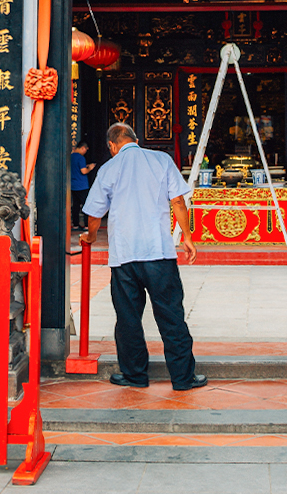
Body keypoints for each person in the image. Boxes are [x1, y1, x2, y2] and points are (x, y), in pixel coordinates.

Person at [79, 122, 206, 391]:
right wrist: (187, 236)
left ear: (112, 146)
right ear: (135, 139)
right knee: (171, 316)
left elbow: (94, 214)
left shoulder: (108, 168)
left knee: (128, 319)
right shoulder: (161, 159)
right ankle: (183, 378)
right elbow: (178, 201)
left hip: (124, 257)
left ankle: (135, 376)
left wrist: (90, 238)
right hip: (158, 253)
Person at [70, 138, 94, 231]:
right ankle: (87, 225)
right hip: (82, 185)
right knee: (85, 205)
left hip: (73, 185)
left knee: (75, 206)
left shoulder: (71, 156)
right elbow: (83, 171)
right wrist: (90, 168)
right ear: (83, 148)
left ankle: (75, 224)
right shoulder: (81, 158)